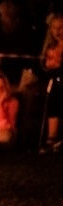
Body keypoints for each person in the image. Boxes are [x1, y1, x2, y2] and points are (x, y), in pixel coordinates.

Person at [39, 13, 63, 153]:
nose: (57, 31)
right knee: (55, 86)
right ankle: (52, 137)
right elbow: (43, 67)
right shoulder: (50, 46)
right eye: (54, 28)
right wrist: (48, 65)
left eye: (61, 27)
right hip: (55, 81)